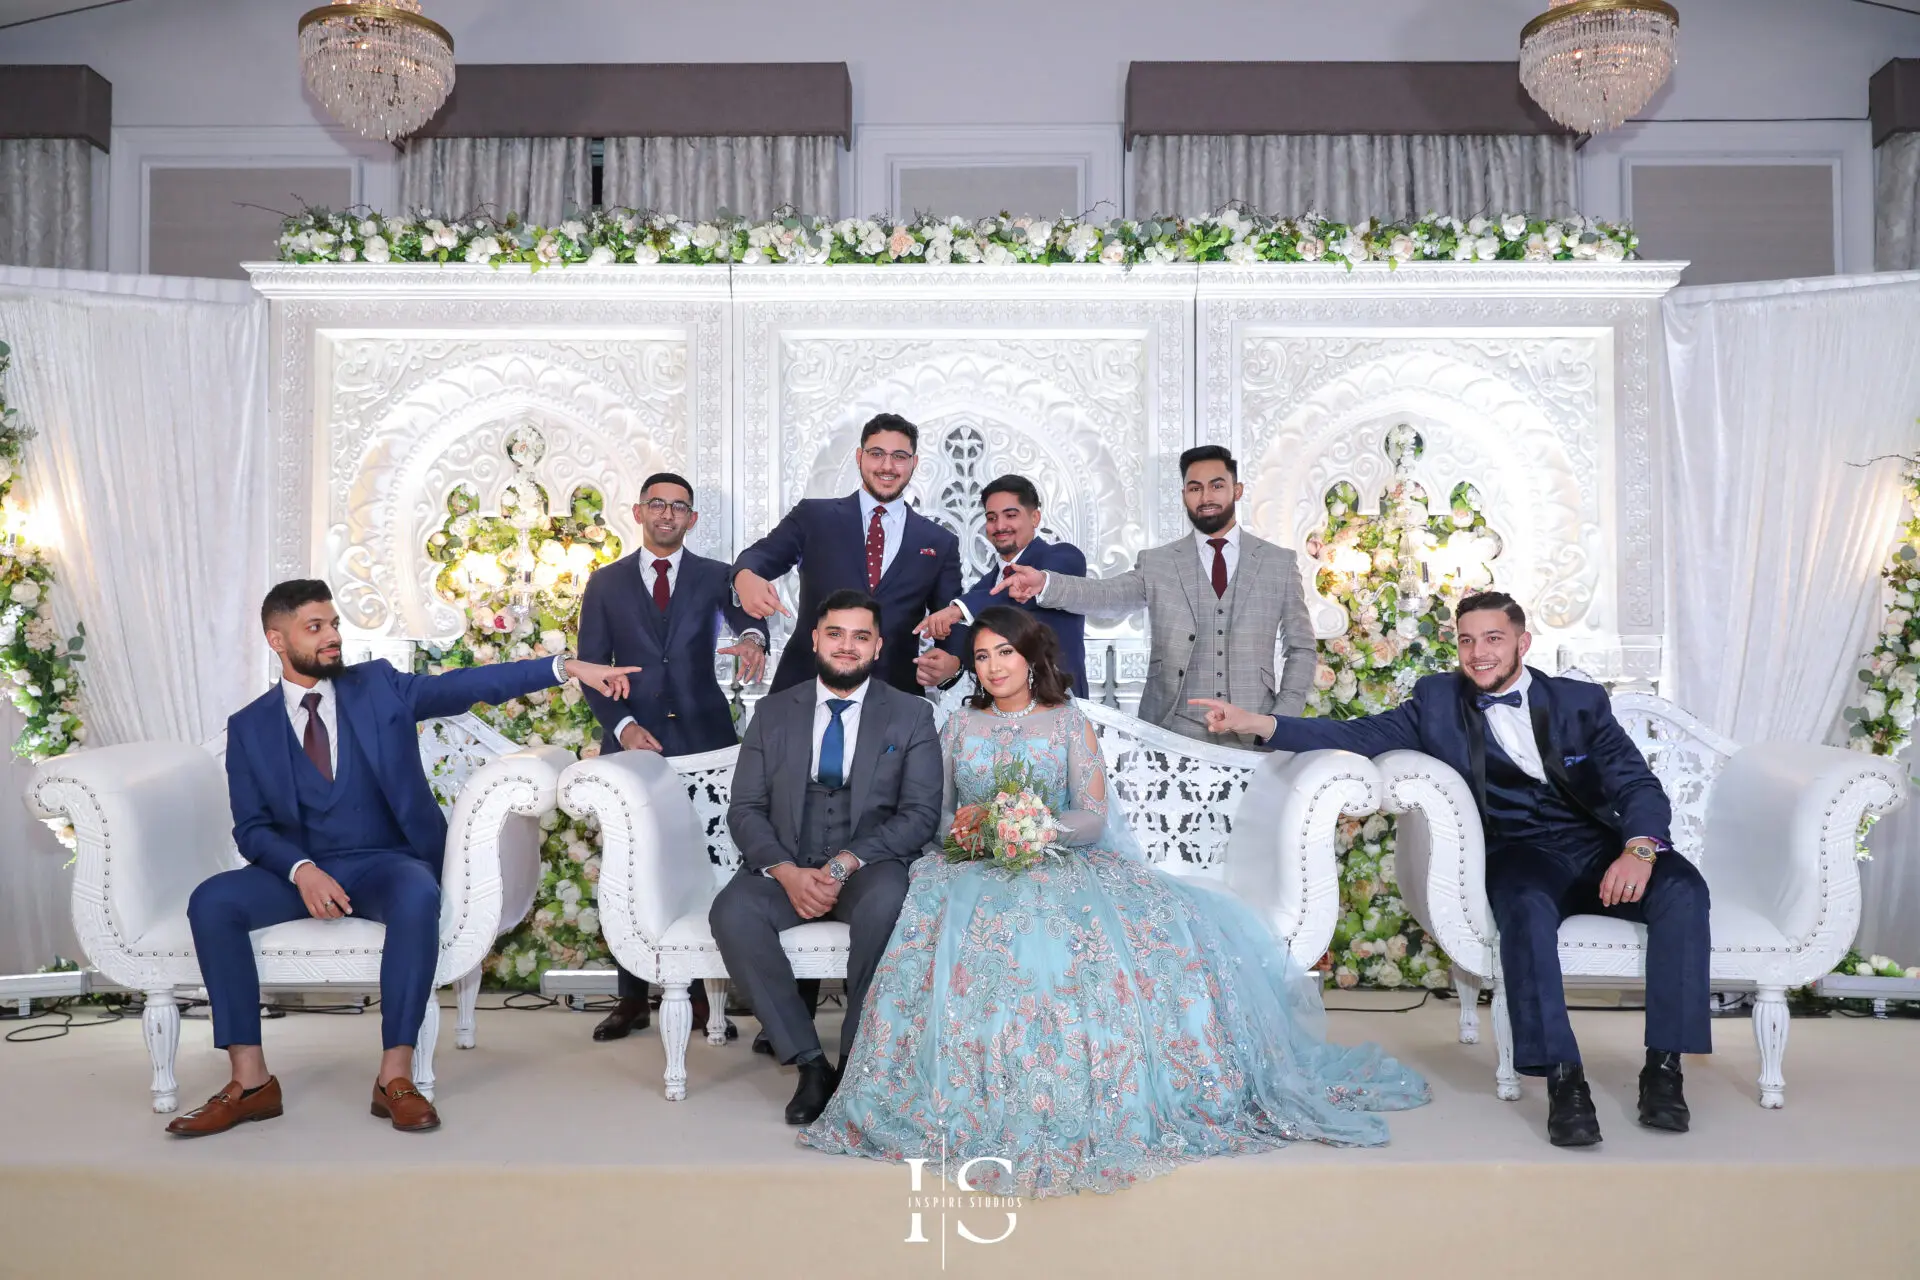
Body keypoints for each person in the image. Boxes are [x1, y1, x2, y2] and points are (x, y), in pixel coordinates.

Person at [800, 606, 1429, 1195]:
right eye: (983, 655)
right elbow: (935, 818)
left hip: (1063, 859)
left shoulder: (1069, 720)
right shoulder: (958, 724)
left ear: (1031, 658)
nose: (993, 667)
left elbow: (1093, 816)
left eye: (1006, 653)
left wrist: (1038, 828)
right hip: (971, 867)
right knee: (959, 940)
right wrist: (980, 832)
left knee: (1093, 944)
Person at [1190, 591, 1708, 1148]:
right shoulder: (1436, 701)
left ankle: (1663, 1071)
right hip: (1521, 853)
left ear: (1522, 643)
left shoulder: (1580, 702)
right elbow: (1355, 736)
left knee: (1684, 890)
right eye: (1466, 640)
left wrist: (1639, 849)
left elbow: (1636, 783)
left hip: (1599, 843)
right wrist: (1257, 722)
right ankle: (1565, 1080)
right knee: (1526, 911)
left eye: (1492, 639)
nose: (1477, 653)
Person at [168, 580, 637, 1138]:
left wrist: (566, 667)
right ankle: (250, 1082)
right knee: (212, 901)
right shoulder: (249, 727)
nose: (332, 637)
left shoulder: (379, 687)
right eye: (315, 628)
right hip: (301, 872)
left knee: (418, 894)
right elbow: (251, 828)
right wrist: (302, 870)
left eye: (334, 624)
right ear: (277, 639)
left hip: (385, 862)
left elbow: (471, 685)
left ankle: (395, 1077)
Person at [709, 589, 944, 1126]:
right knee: (733, 913)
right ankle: (810, 1062)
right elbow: (744, 809)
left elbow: (918, 815)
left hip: (868, 864)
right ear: (815, 639)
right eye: (835, 633)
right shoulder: (772, 713)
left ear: (878, 647)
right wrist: (787, 872)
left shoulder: (911, 716)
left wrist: (844, 864)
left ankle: (857, 1061)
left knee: (890, 903)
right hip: (787, 859)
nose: (846, 646)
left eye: (861, 636)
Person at [575, 472, 766, 1044]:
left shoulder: (714, 575)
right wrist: (625, 726)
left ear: (692, 520)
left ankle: (707, 998)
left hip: (706, 739)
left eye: (678, 507)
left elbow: (748, 620)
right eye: (656, 504)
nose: (666, 514)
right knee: (629, 868)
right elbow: (589, 669)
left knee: (708, 864)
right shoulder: (605, 583)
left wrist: (754, 638)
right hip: (634, 745)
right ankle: (631, 998)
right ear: (638, 513)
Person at [997, 444, 1314, 747]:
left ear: (1237, 490)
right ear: (1183, 495)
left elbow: (1301, 647)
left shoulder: (1278, 562)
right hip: (1172, 732)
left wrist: (1279, 721)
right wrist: (1046, 583)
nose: (1206, 496)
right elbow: (1108, 594)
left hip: (1253, 731)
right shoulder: (1159, 562)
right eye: (1194, 488)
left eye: (1217, 486)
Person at [732, 412, 965, 697]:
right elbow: (757, 557)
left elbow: (952, 616)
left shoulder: (939, 542)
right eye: (877, 453)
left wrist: (953, 661)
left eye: (900, 456)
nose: (887, 466)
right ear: (859, 457)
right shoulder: (813, 516)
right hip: (805, 688)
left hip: (893, 697)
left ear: (914, 463)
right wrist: (745, 576)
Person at [912, 473, 1090, 697]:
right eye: (991, 517)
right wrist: (951, 664)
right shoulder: (984, 587)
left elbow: (1016, 596)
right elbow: (975, 642)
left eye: (1011, 515)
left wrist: (957, 610)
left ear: (1035, 518)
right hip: (1000, 714)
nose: (1000, 525)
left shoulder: (1062, 558)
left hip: (1057, 705)